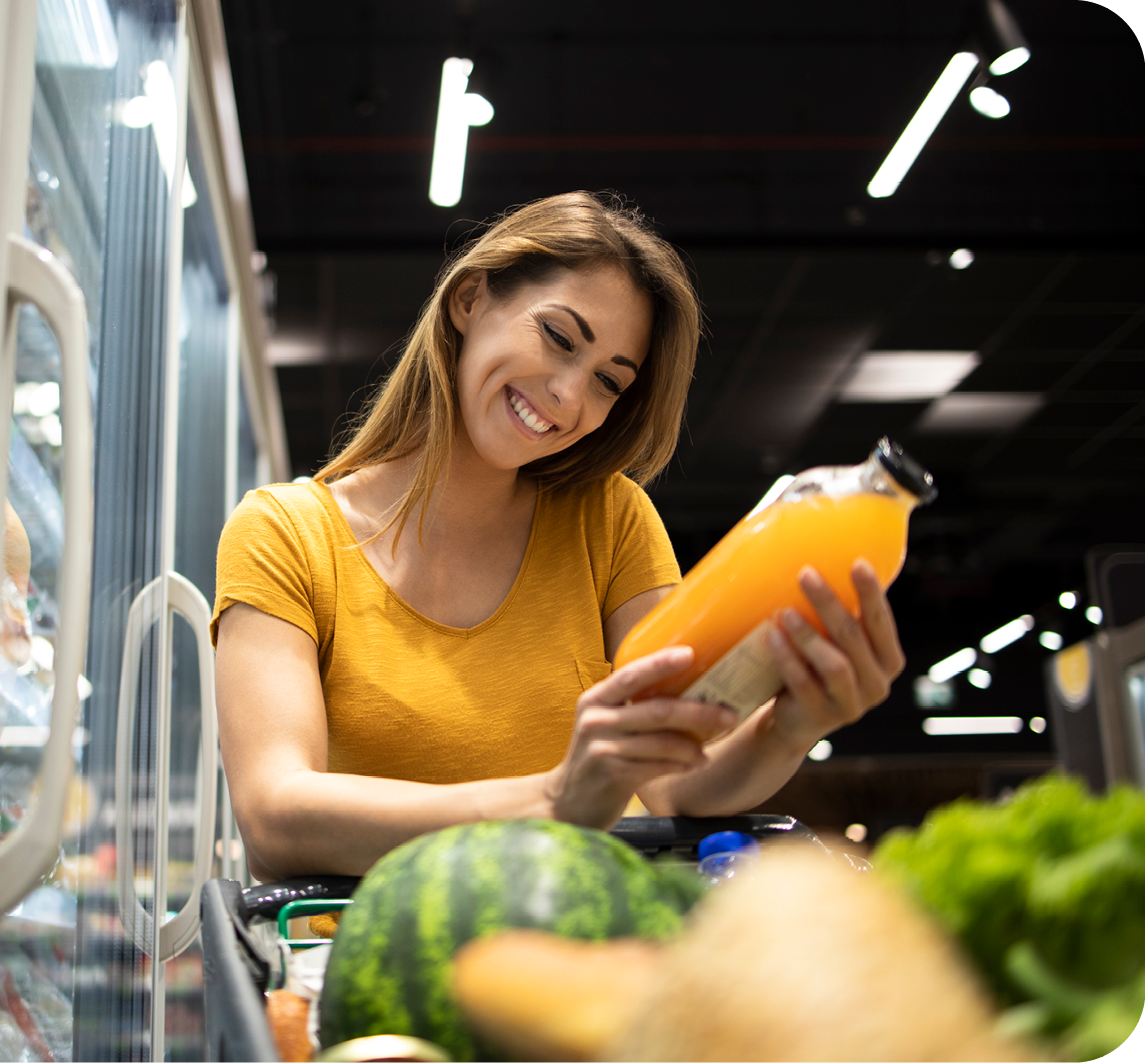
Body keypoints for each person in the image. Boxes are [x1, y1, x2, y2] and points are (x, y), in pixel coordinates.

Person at [211, 192, 905, 882]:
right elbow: (276, 811)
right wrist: (551, 798)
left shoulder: (611, 520)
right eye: (559, 337)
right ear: (469, 300)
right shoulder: (284, 535)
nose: (571, 397)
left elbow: (675, 776)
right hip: (388, 959)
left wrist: (790, 725)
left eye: (608, 380)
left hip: (590, 943)